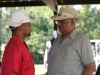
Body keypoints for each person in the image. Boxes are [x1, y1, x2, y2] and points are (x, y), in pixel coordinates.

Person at [47, 7, 95, 75]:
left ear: (72, 22)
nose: (59, 24)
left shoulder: (81, 39)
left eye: (63, 21)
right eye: (58, 21)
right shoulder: (56, 40)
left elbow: (90, 67)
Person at [1, 10, 35, 75]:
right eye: (28, 24)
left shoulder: (21, 44)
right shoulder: (15, 47)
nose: (30, 27)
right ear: (21, 28)